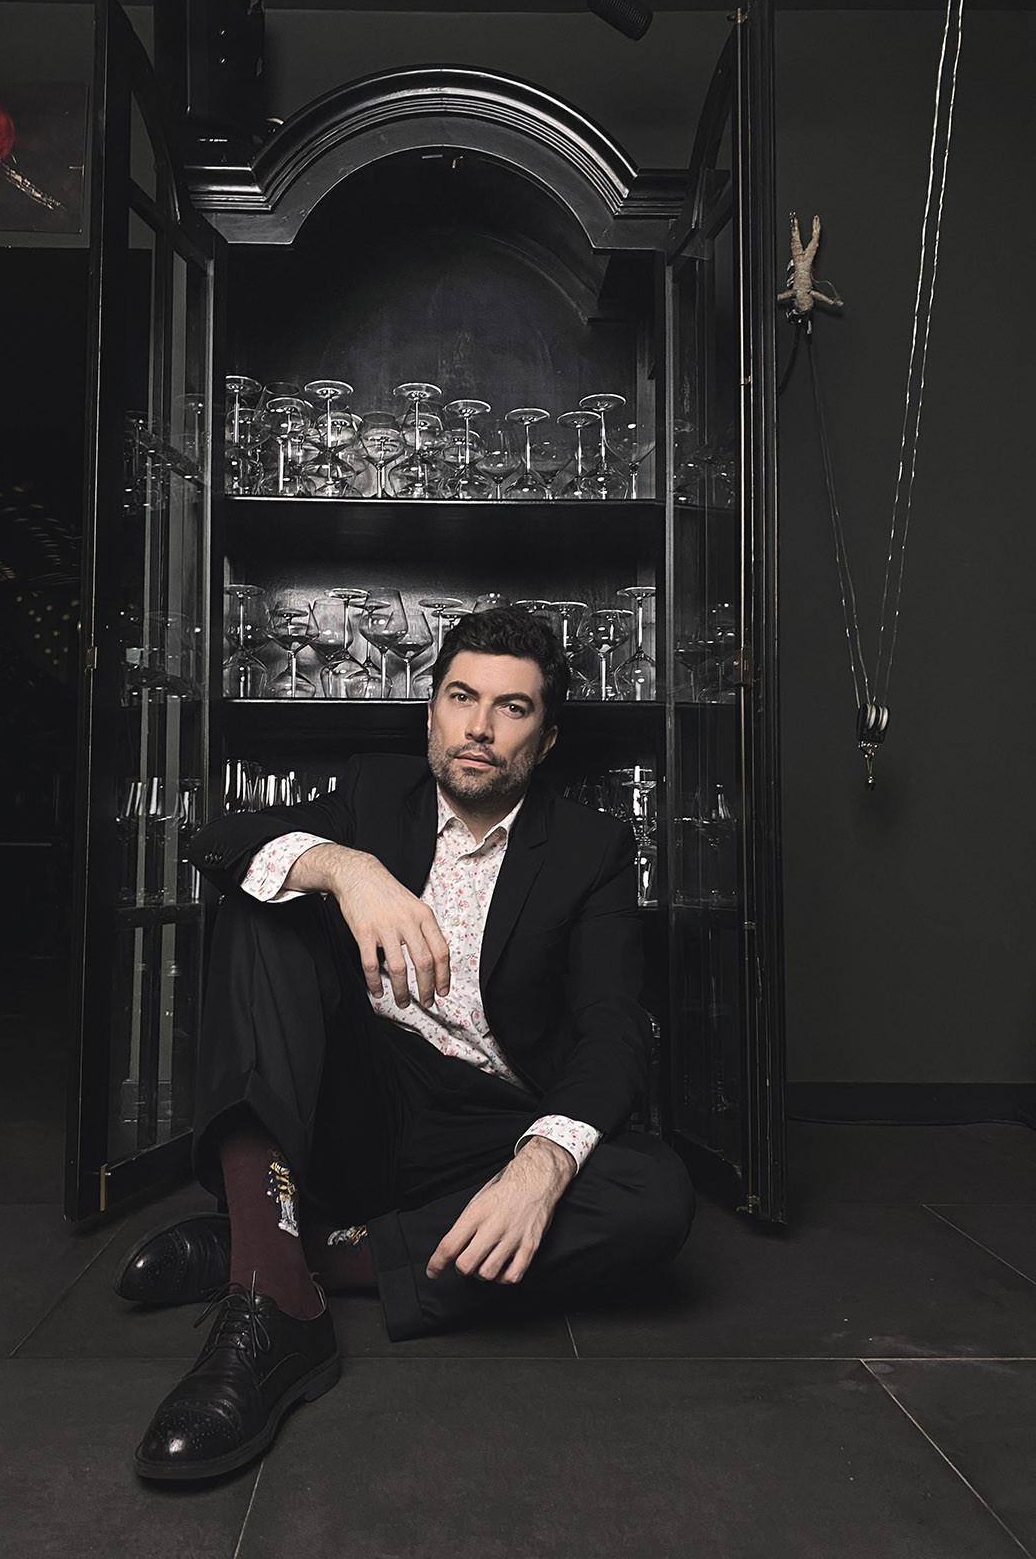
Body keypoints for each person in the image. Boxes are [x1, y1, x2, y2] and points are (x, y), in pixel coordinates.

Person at [118, 606, 695, 1481]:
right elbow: (220, 841)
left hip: (485, 1129)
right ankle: (274, 1303)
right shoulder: (372, 791)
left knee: (653, 1192)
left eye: (512, 707)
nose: (479, 726)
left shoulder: (592, 848)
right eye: (462, 698)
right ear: (431, 713)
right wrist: (346, 868)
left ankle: (283, 1242)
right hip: (355, 1092)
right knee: (264, 900)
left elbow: (613, 1028)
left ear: (545, 739)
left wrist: (541, 1166)